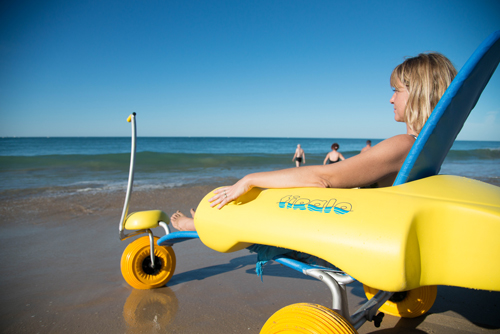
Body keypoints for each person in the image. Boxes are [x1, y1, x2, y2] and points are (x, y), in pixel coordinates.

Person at [171, 52, 457, 231]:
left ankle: (201, 226)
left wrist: (249, 178)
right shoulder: (428, 147)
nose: (391, 98)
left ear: (418, 92)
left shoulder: (403, 144)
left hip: (350, 227)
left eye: (397, 90)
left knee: (264, 194)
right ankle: (203, 223)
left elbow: (324, 178)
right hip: (375, 221)